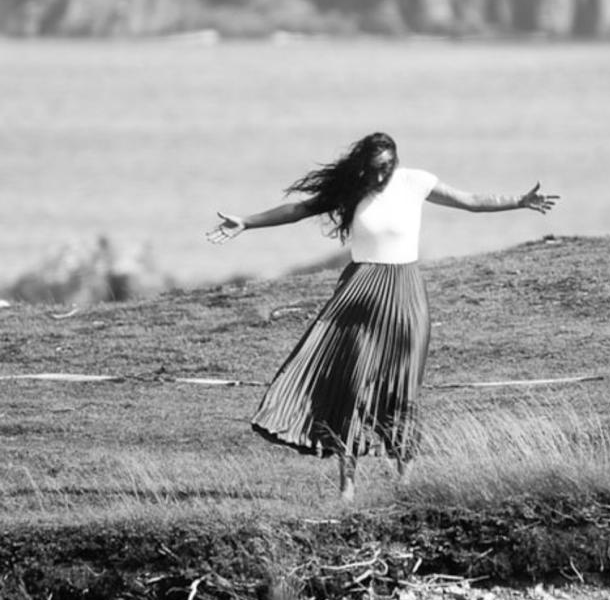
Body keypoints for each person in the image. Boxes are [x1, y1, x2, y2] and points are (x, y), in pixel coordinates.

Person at [207, 132, 558, 502]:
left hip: (406, 293)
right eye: (374, 169)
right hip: (360, 294)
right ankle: (347, 486)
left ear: (396, 162)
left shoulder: (416, 181)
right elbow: (298, 210)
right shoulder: (352, 188)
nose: (380, 176)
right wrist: (247, 222)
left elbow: (470, 201)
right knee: (353, 384)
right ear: (363, 165)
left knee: (403, 385)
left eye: (386, 168)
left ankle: (405, 481)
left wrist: (518, 201)